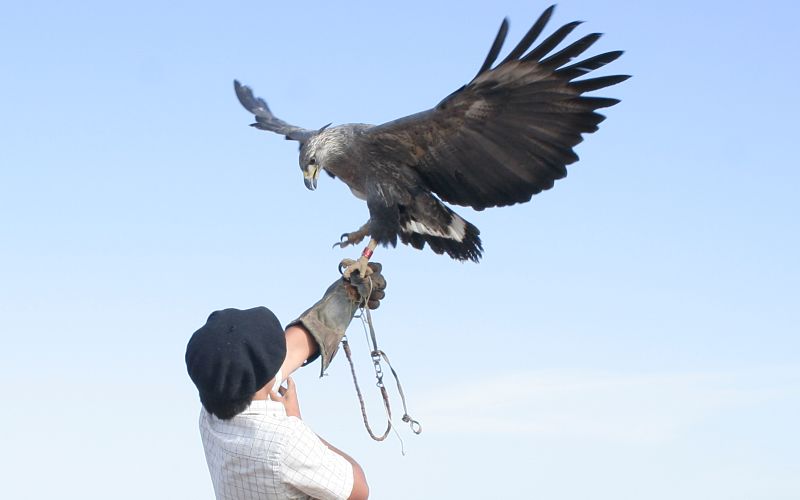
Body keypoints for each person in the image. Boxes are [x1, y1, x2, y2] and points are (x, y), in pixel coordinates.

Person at [185, 264, 386, 500]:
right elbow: (358, 489)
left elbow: (288, 351)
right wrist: (297, 423)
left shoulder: (211, 414)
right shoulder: (285, 442)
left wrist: (345, 297)